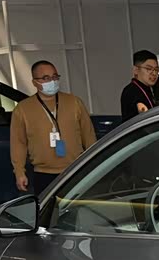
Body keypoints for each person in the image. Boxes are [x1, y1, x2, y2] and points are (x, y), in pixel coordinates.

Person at [9, 60, 97, 196]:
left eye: (55, 76)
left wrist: (94, 163)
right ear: (34, 82)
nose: (52, 81)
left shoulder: (74, 102)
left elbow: (88, 135)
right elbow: (18, 143)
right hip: (43, 173)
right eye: (46, 78)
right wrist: (19, 172)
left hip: (75, 169)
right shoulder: (23, 109)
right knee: (48, 208)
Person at [121, 49, 159, 121]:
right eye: (149, 69)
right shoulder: (132, 91)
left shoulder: (148, 89)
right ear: (136, 70)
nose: (154, 73)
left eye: (156, 70)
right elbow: (144, 112)